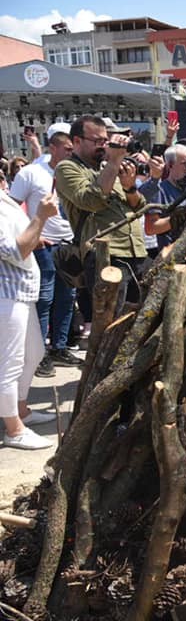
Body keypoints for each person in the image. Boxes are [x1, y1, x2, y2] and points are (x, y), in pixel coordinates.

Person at [9, 130, 83, 377]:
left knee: (67, 297)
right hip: (44, 245)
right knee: (45, 299)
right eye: (67, 149)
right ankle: (39, 354)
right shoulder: (31, 173)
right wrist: (33, 232)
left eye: (73, 149)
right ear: (53, 147)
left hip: (69, 242)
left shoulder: (74, 173)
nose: (70, 153)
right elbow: (13, 206)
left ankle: (59, 347)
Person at [56, 115, 148, 305]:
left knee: (147, 316)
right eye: (97, 141)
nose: (103, 145)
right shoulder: (67, 168)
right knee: (112, 322)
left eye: (105, 140)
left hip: (136, 252)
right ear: (77, 141)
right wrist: (114, 163)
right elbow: (91, 201)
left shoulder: (107, 168)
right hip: (105, 258)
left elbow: (138, 207)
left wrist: (130, 187)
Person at [0, 183, 59, 450]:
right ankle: (13, 429)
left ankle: (21, 410)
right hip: (6, 293)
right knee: (9, 364)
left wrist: (37, 232)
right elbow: (13, 251)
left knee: (33, 353)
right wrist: (41, 216)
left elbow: (19, 240)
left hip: (21, 291)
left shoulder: (4, 198)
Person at [139, 144, 186, 250]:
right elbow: (151, 228)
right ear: (170, 165)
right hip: (171, 254)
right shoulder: (159, 190)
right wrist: (182, 215)